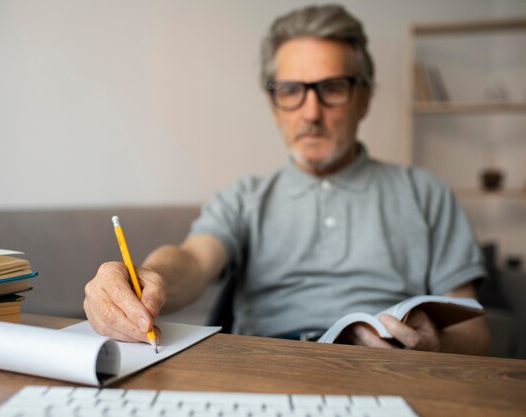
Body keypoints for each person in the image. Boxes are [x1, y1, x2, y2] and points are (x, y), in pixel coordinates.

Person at [84, 4, 491, 355]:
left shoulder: (426, 193)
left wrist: (436, 347)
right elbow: (191, 259)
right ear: (274, 104)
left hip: (388, 369)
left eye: (331, 88)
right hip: (267, 367)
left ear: (364, 97)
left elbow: (476, 332)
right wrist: (149, 277)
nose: (310, 112)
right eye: (292, 90)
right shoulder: (245, 198)